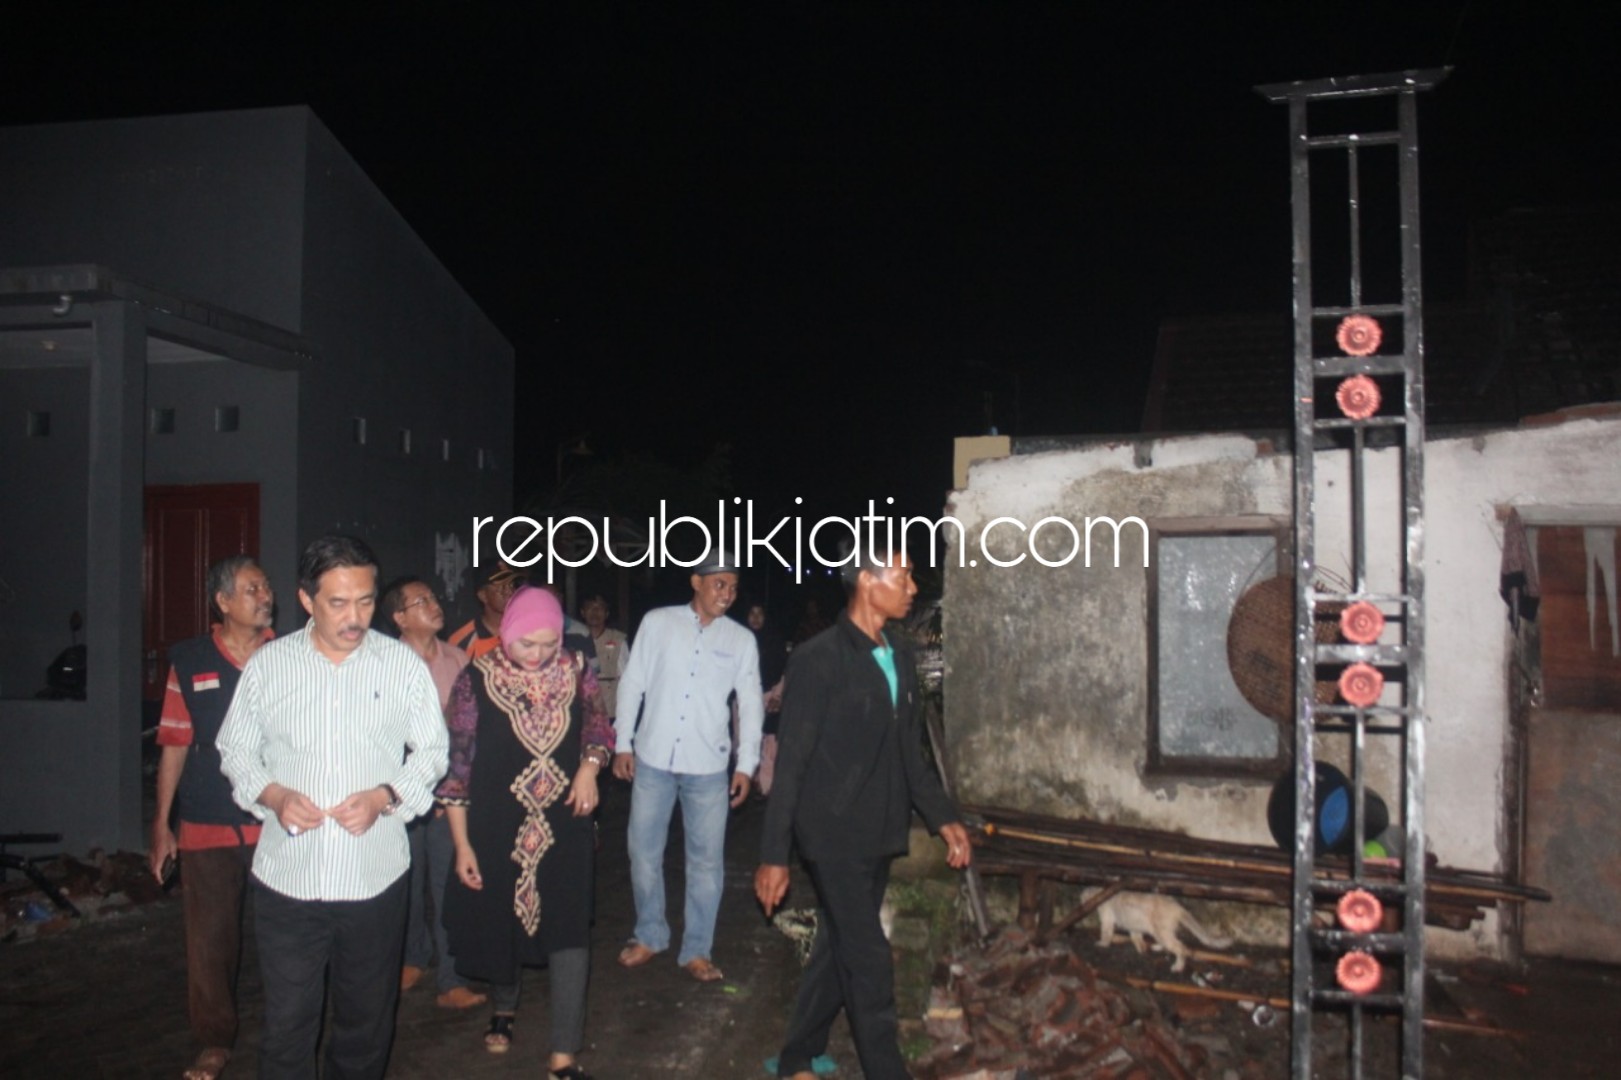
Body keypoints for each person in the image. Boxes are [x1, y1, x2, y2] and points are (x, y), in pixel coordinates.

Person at [217, 535, 449, 1080]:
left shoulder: (399, 665)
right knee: (287, 1024)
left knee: (365, 1023)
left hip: (374, 878)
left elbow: (433, 751)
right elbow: (235, 748)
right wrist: (273, 795)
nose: (355, 617)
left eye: (365, 601)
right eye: (338, 603)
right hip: (288, 883)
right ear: (305, 599)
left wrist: (385, 796)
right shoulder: (270, 666)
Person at [755, 544, 972, 1080]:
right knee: (870, 960)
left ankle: (796, 1056)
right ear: (867, 581)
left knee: (839, 948)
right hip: (830, 834)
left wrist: (943, 818)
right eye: (904, 576)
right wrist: (773, 855)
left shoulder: (898, 655)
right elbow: (793, 765)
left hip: (878, 832)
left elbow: (910, 753)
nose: (913, 587)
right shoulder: (818, 659)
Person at [436, 586, 613, 1079]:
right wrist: (463, 843)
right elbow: (458, 764)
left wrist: (589, 767)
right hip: (496, 821)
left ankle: (564, 1051)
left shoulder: (576, 669)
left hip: (566, 819)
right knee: (502, 916)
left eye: (547, 643)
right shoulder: (477, 676)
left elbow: (599, 727)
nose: (537, 655)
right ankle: (505, 1006)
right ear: (507, 634)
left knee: (569, 922)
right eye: (525, 644)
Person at [149, 555, 274, 1080]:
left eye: (265, 587)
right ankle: (214, 1041)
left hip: (278, 822)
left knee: (285, 936)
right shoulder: (191, 659)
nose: (265, 596)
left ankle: (289, 1031)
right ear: (222, 602)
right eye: (252, 589)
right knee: (209, 943)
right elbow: (175, 744)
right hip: (205, 820)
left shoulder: (288, 655)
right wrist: (161, 825)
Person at [612, 548, 762, 982]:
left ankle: (697, 949)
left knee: (706, 863)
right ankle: (650, 934)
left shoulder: (740, 641)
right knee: (643, 853)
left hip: (708, 767)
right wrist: (623, 743)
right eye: (720, 584)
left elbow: (750, 705)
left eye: (733, 587)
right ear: (696, 582)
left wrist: (746, 765)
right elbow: (633, 682)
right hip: (653, 759)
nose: (728, 594)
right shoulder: (658, 623)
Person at [379, 576, 486, 1009]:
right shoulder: (384, 662)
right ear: (399, 618)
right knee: (404, 880)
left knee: (448, 884)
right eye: (420, 601)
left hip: (449, 798)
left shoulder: (459, 659)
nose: (434, 605)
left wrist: (455, 790)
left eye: (433, 598)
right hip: (400, 797)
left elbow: (469, 731)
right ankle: (412, 956)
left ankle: (451, 978)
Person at [745, 601, 788, 796]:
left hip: (769, 696)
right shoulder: (740, 640)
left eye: (760, 613)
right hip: (744, 697)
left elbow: (783, 671)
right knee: (744, 741)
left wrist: (777, 696)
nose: (755, 618)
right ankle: (746, 780)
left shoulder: (774, 642)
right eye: (751, 613)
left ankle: (766, 786)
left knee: (769, 742)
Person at [448, 560, 527, 660]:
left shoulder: (530, 633)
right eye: (501, 587)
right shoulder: (462, 642)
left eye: (512, 585)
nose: (509, 592)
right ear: (483, 596)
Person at [580, 592, 630, 722]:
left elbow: (627, 677)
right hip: (583, 710)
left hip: (610, 710)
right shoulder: (574, 638)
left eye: (600, 608)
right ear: (583, 612)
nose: (595, 612)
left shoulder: (618, 639)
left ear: (606, 613)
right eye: (590, 607)